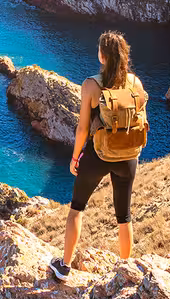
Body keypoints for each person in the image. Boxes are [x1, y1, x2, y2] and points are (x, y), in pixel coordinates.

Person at [51, 31, 148, 282]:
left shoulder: (91, 85)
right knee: (124, 217)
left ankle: (64, 266)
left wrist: (75, 158)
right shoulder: (135, 83)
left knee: (76, 209)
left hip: (98, 154)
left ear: (102, 56)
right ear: (125, 55)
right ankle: (126, 272)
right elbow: (142, 121)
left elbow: (83, 128)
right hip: (128, 156)